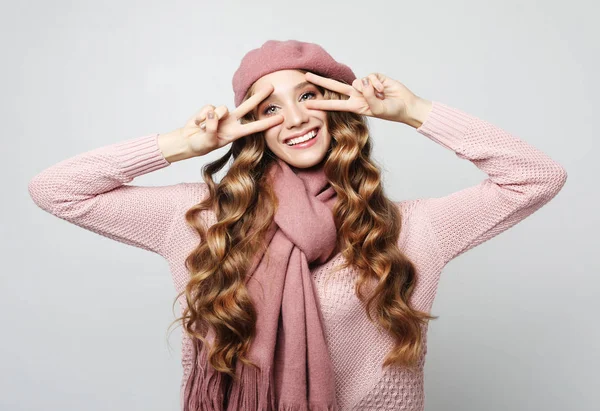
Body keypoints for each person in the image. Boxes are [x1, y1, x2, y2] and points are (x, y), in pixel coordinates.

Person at [28, 39, 568, 411]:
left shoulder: (411, 230)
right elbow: (56, 189)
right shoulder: (203, 221)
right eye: (270, 106)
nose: (295, 118)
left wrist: (413, 110)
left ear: (338, 108)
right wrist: (184, 145)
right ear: (252, 127)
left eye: (308, 96)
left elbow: (536, 178)